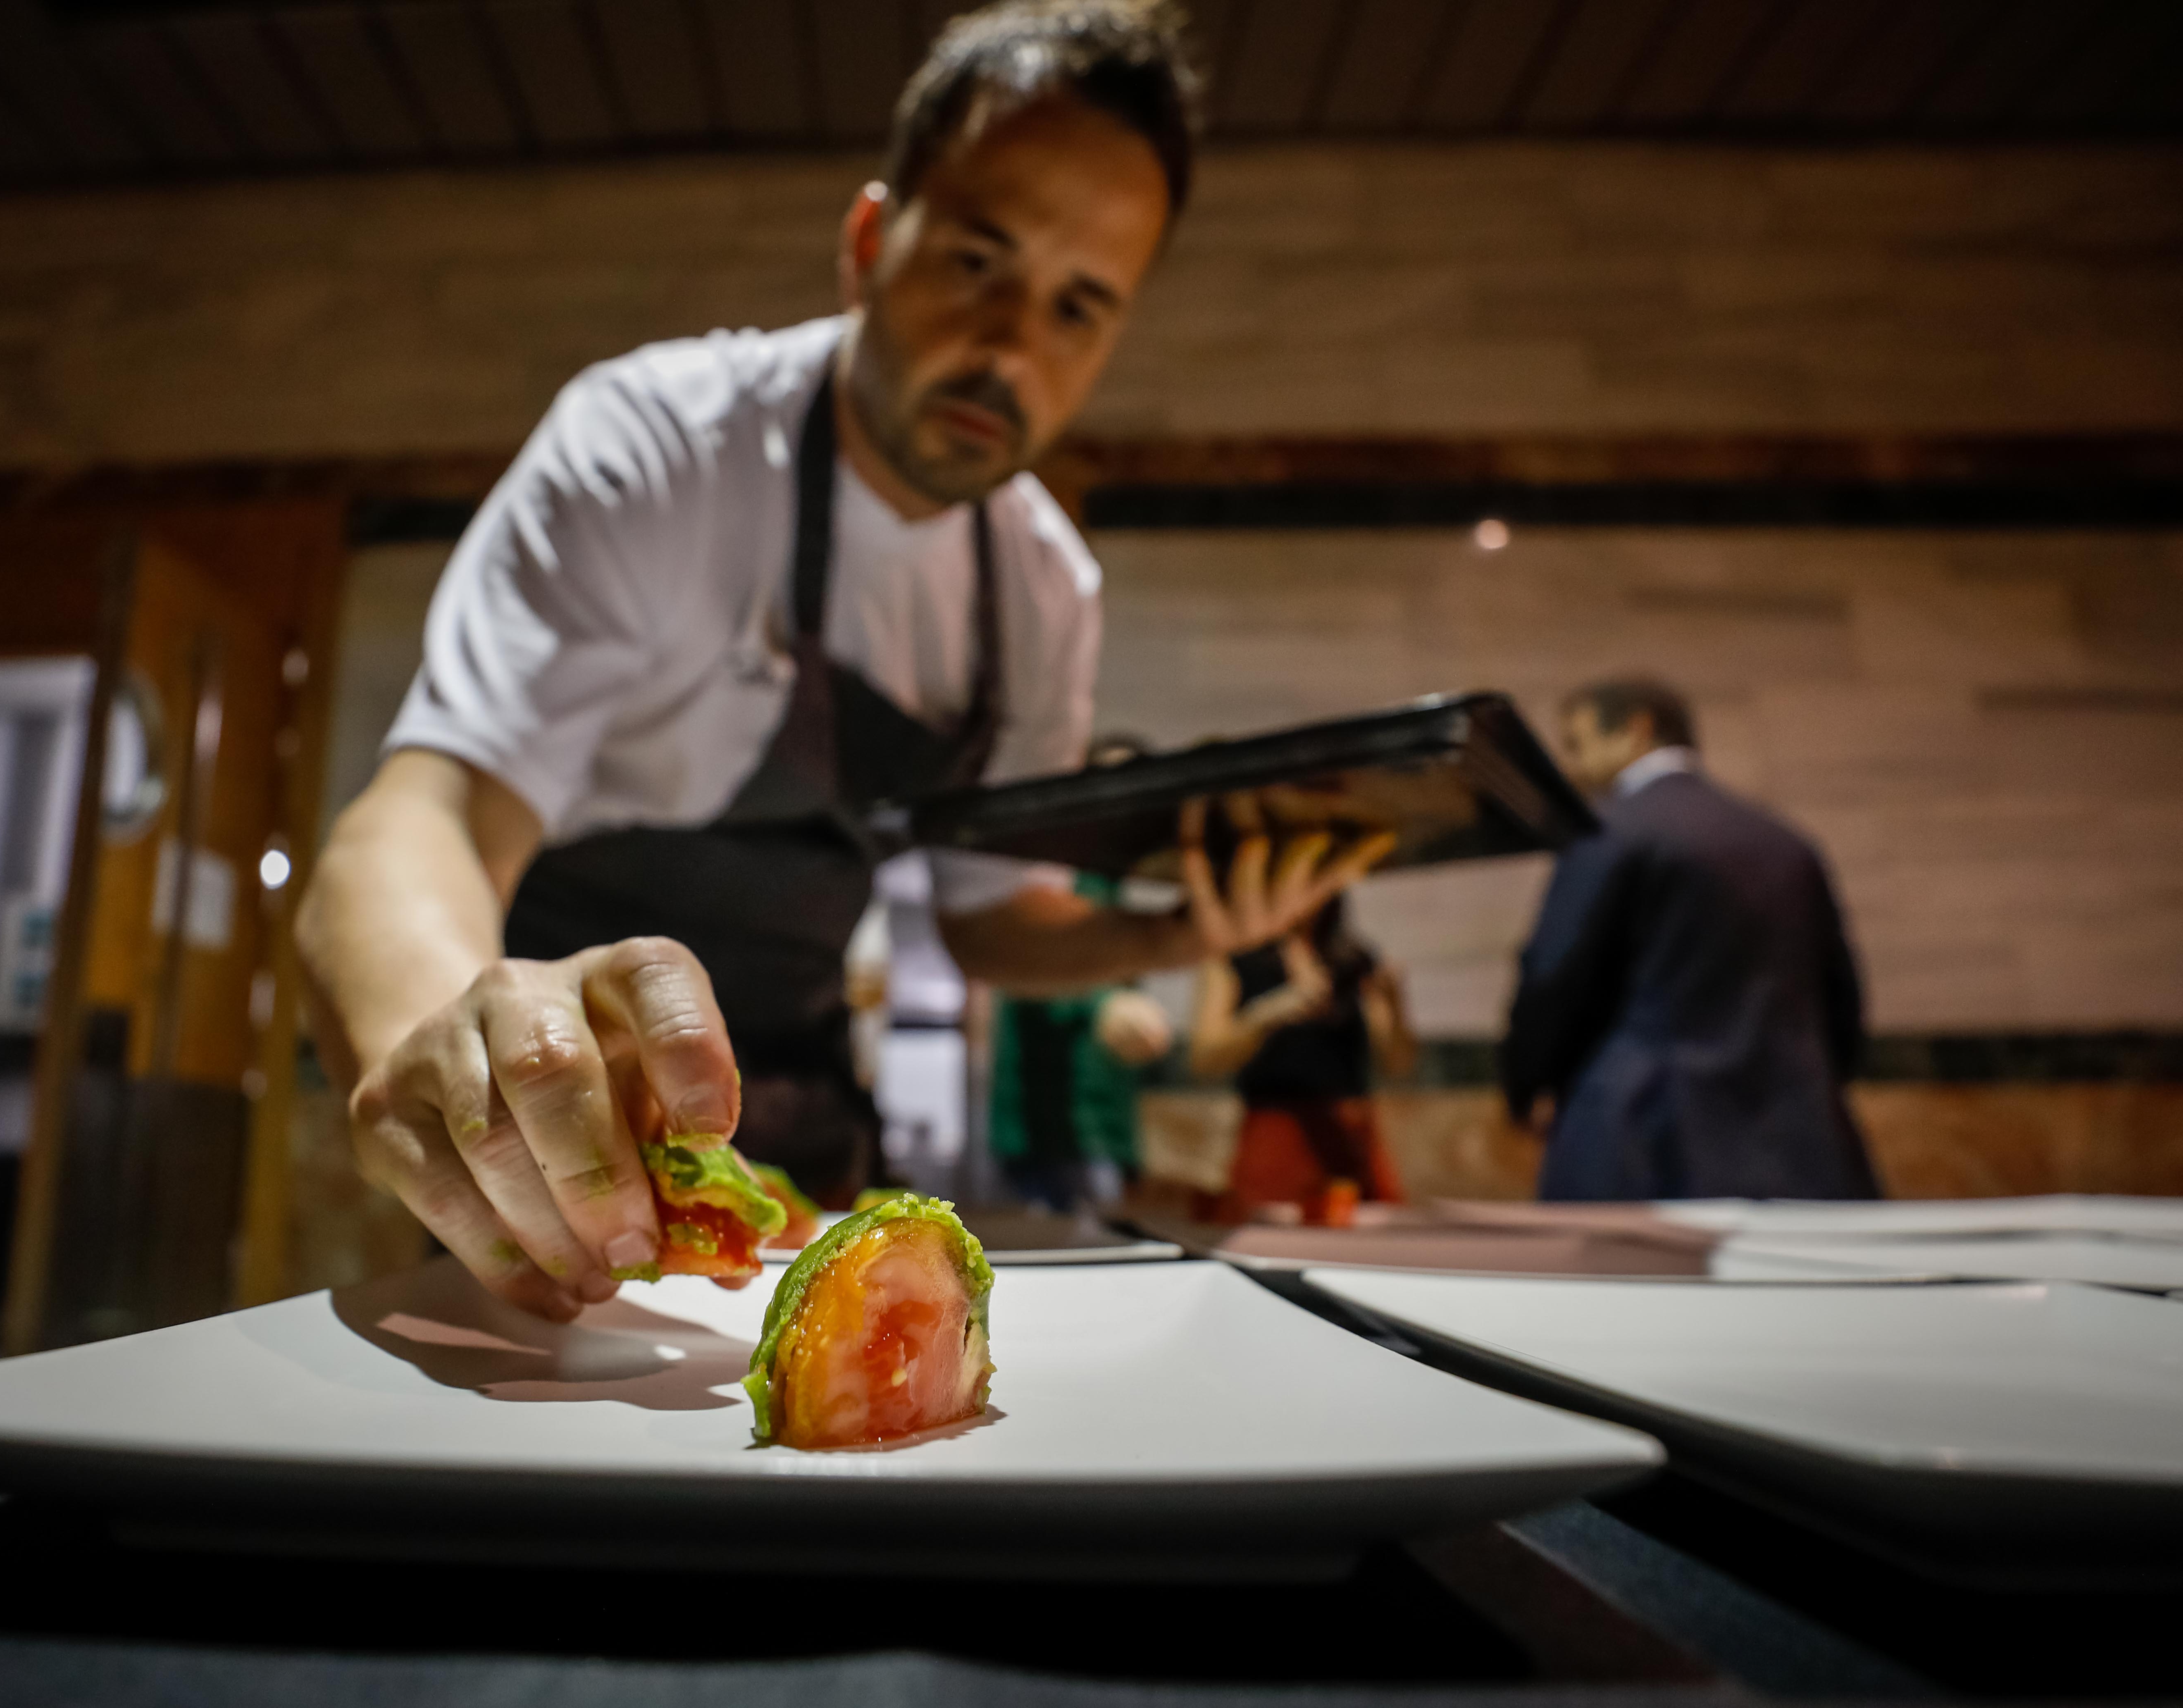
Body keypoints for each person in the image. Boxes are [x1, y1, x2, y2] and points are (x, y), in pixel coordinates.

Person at [297, 1, 1392, 1323]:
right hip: (549, 1141)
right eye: (977, 263)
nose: (1010, 348)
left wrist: (1174, 926)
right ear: (872, 243)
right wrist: (456, 1032)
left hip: (807, 1144)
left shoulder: (1044, 587)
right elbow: (421, 817)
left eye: (1079, 306)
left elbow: (991, 921)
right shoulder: (658, 447)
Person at [1503, 677, 1879, 1201]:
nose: (1572, 766)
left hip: (1643, 1142)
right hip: (1800, 1146)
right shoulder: (1786, 841)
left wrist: (1525, 1087)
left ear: (1637, 729)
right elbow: (1840, 993)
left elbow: (1554, 976)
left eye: (1577, 743)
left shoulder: (1607, 830)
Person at [986, 735, 1174, 1211]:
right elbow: (1023, 963)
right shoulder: (1052, 874)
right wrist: (1104, 1004)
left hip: (1102, 1125)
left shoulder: (1113, 882)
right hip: (1050, 1129)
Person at [1190, 895, 1416, 1223]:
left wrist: (1396, 1003)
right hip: (1273, 1134)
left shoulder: (1354, 959)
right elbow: (1205, 1058)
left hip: (1349, 1134)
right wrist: (1267, 1014)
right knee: (1267, 1241)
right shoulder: (1237, 958)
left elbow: (1398, 1063)